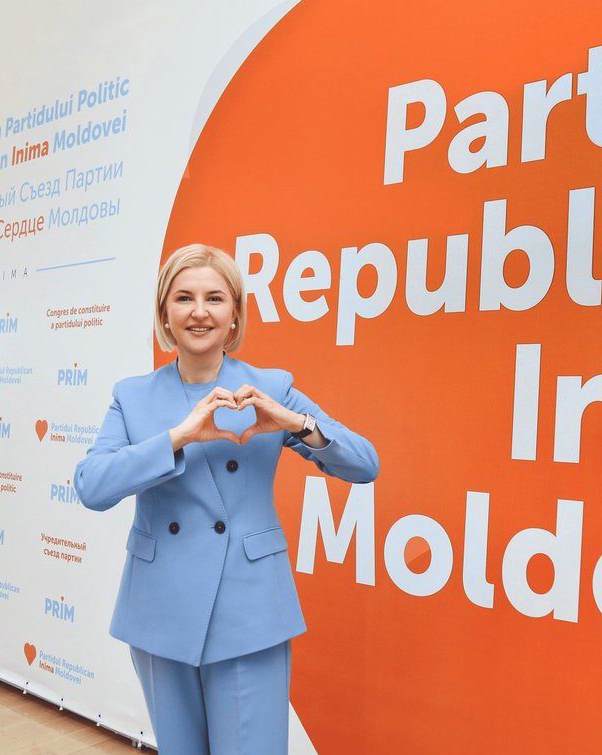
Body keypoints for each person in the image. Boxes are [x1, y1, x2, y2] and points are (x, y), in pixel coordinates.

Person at [73, 243, 379, 754]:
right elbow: (92, 486)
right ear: (164, 313)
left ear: (235, 313)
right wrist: (177, 437)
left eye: (214, 298)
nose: (199, 312)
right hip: (160, 608)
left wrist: (296, 424)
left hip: (249, 608)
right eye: (184, 298)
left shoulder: (271, 387)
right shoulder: (132, 396)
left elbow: (365, 464)